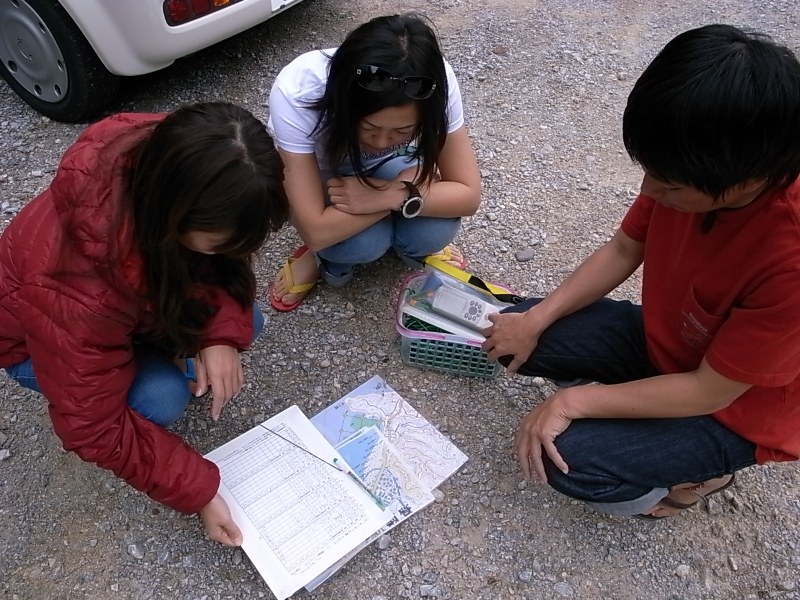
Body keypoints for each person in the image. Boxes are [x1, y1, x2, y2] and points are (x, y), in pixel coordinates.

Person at [482, 24, 800, 519]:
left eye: (668, 185)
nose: (649, 191)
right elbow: (625, 247)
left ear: (748, 181)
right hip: (672, 345)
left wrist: (573, 404)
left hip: (732, 408)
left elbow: (710, 389)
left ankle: (699, 477)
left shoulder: (790, 258)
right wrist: (536, 319)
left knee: (571, 464)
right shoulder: (694, 162)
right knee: (512, 334)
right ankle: (641, 401)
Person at [0, 102, 290, 544]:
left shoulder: (179, 159)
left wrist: (219, 338)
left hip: (125, 304)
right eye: (218, 244)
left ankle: (163, 351)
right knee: (162, 398)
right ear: (174, 217)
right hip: (35, 340)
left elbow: (221, 267)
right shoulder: (77, 287)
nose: (233, 252)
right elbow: (91, 426)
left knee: (244, 321)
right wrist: (199, 491)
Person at [267, 13, 481, 311]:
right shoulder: (299, 91)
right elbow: (315, 229)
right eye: (368, 128)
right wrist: (406, 194)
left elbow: (468, 195)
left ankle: (404, 247)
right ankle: (320, 259)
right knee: (360, 243)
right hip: (326, 178)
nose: (380, 142)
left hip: (391, 172)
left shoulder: (433, 83)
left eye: (402, 132)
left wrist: (386, 195)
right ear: (344, 101)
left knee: (432, 232)